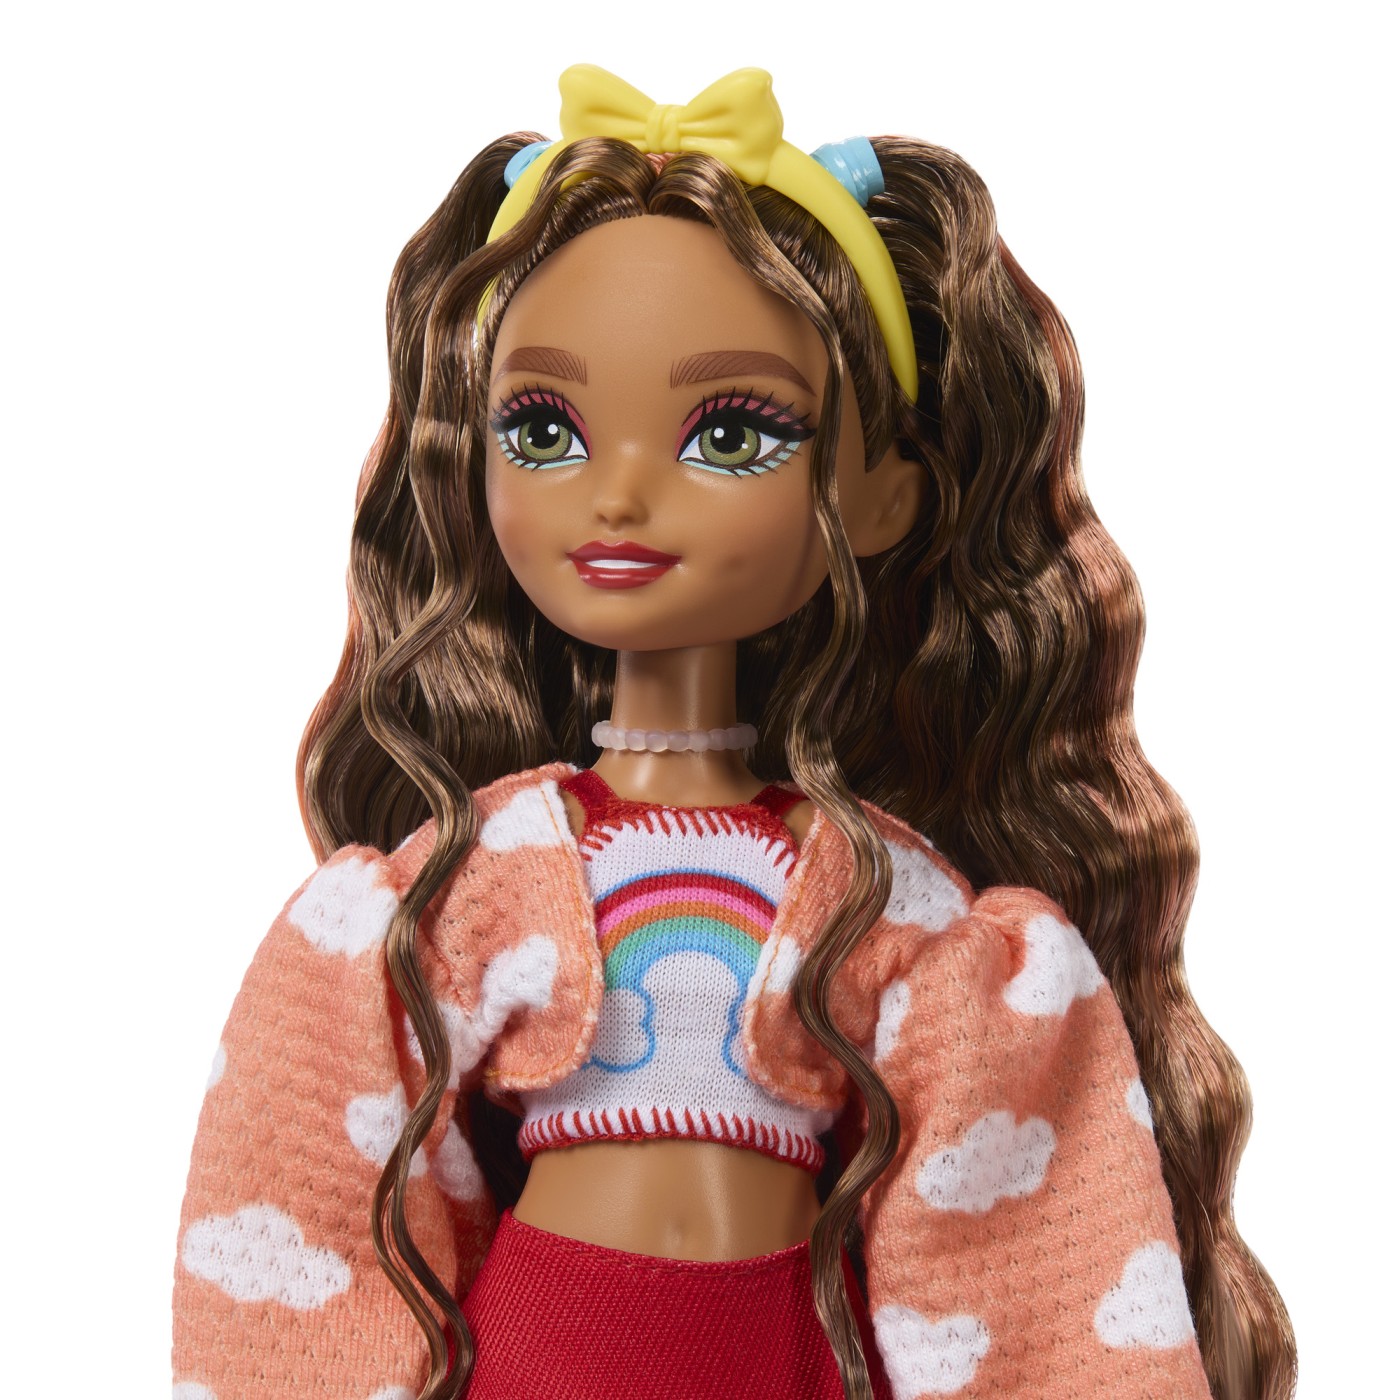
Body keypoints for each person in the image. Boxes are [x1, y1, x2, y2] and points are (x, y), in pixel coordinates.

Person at [172, 66, 1295, 1400]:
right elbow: (314, 1206)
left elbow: (1001, 1248)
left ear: (882, 496)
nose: (621, 493)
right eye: (544, 428)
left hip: (790, 1354)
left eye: (733, 433)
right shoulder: (463, 883)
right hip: (546, 1352)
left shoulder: (893, 904)